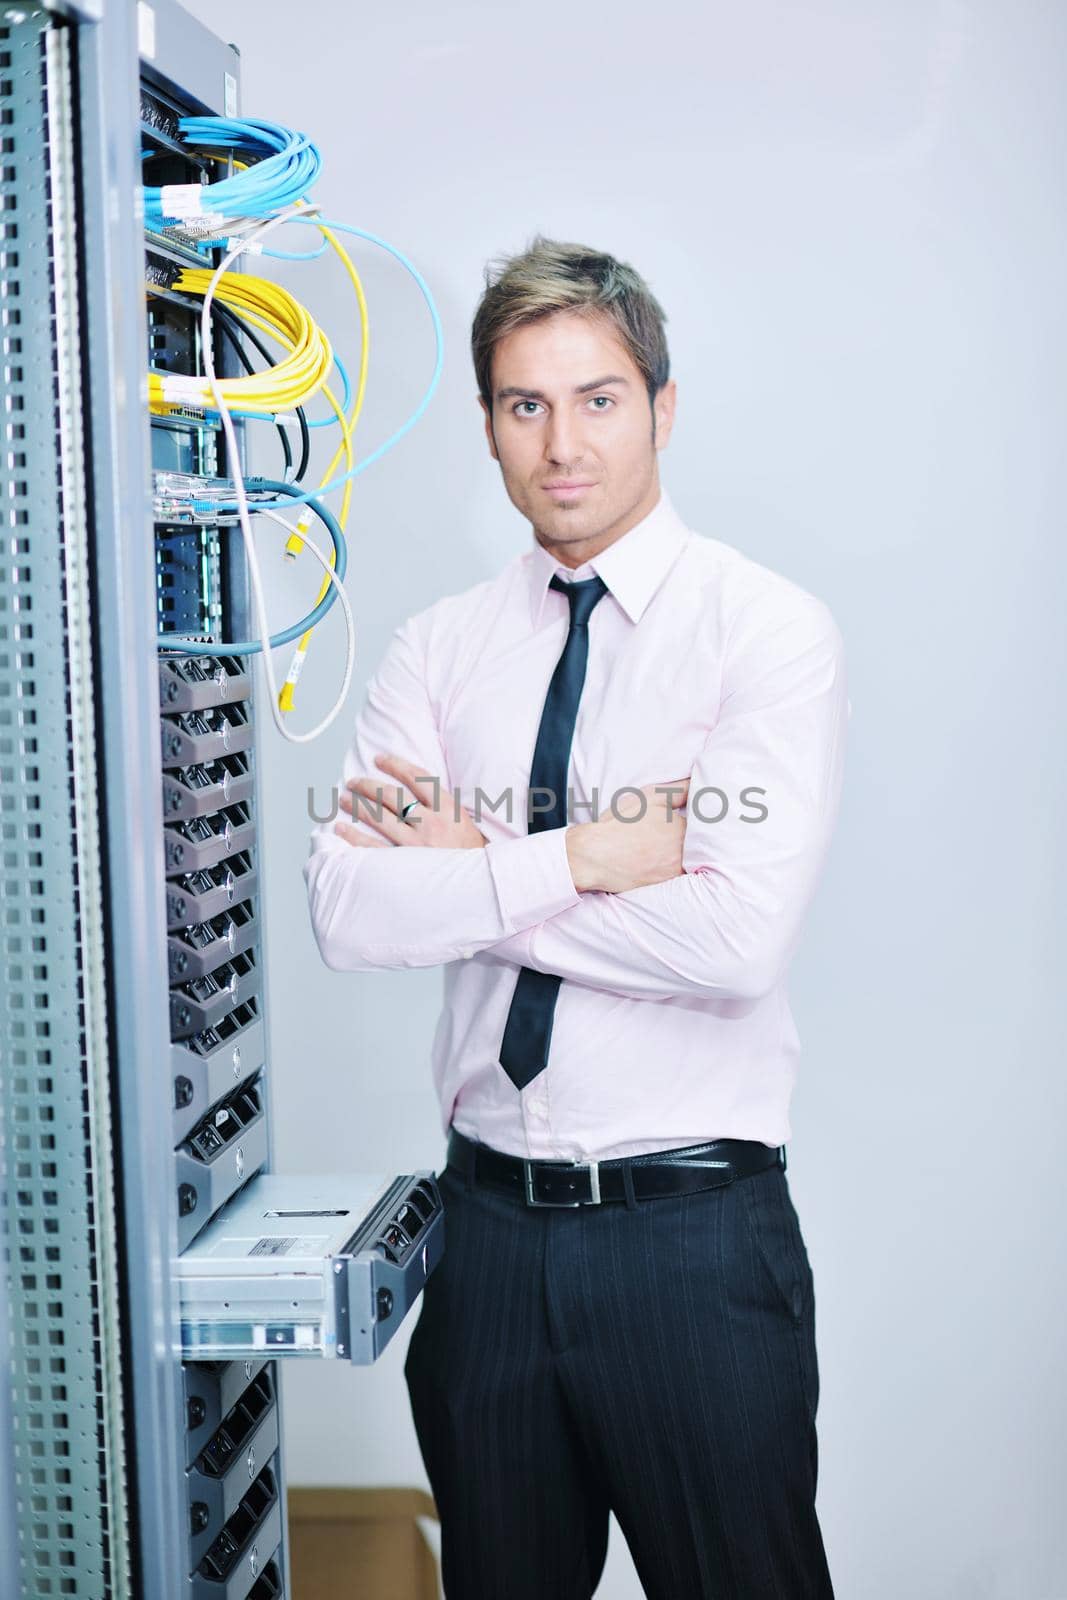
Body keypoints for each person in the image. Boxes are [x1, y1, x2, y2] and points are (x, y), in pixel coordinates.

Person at [303, 234, 848, 1599]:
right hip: (481, 1246)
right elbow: (353, 910)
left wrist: (472, 870)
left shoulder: (763, 633)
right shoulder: (439, 647)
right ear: (487, 425)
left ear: (663, 408)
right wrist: (584, 858)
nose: (562, 443)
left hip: (691, 1244)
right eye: (524, 404)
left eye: (599, 399)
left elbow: (736, 944)